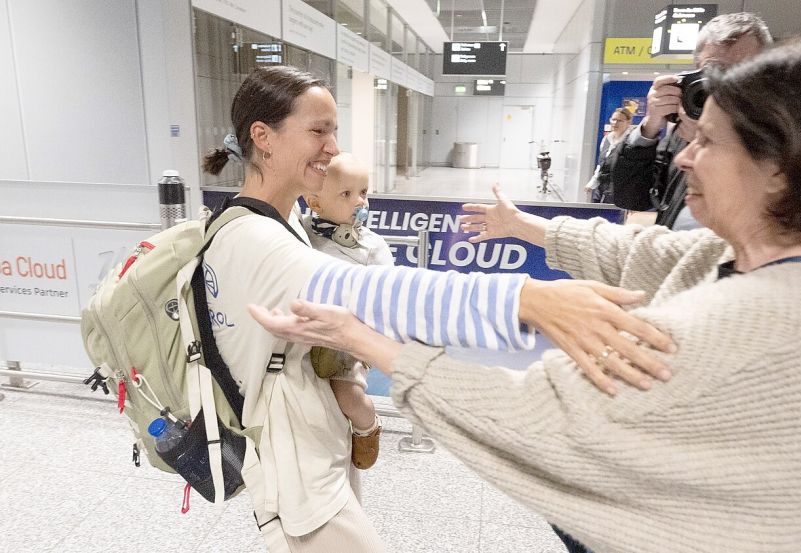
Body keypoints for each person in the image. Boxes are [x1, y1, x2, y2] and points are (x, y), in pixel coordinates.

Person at [249, 38, 801, 552]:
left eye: (708, 142)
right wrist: (524, 228)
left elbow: (533, 415)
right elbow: (643, 254)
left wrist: (363, 338)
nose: (684, 156)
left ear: (780, 167)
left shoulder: (747, 318)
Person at [199, 65, 675, 553]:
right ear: (264, 137)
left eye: (334, 130)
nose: (333, 147)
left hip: (318, 437)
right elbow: (373, 293)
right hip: (292, 461)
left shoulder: (287, 221)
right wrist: (525, 299)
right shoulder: (252, 237)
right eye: (318, 130)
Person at [611, 12, 772, 229]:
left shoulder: (787, 142)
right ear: (696, 74)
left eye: (743, 73)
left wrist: (713, 139)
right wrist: (650, 126)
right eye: (713, 72)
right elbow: (632, 198)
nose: (725, 86)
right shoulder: (682, 130)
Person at [299, 152, 392, 471]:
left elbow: (386, 295)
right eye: (346, 194)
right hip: (305, 336)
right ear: (315, 202)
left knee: (347, 395)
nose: (359, 202)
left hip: (346, 341)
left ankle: (368, 425)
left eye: (364, 192)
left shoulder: (372, 247)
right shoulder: (300, 232)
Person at [585, 107, 633, 203]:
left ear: (628, 123)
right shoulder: (606, 139)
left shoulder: (630, 141)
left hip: (619, 189)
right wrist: (592, 183)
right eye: (613, 119)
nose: (615, 123)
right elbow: (601, 165)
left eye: (620, 120)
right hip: (602, 187)